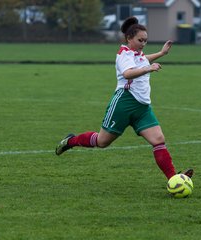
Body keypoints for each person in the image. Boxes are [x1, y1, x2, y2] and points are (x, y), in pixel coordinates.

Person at [55, 16, 193, 180]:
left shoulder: (138, 54)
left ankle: (173, 178)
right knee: (102, 142)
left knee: (158, 140)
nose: (143, 44)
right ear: (129, 38)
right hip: (123, 104)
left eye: (145, 41)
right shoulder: (123, 54)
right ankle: (71, 141)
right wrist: (148, 69)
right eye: (140, 40)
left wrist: (162, 53)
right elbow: (128, 73)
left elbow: (143, 59)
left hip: (142, 108)